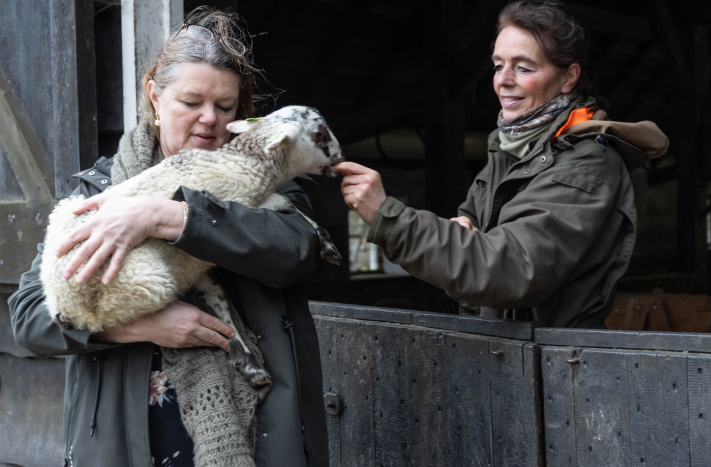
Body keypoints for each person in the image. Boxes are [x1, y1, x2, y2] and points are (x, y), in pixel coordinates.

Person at [8, 7, 328, 467]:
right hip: (128, 443)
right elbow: (29, 317)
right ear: (155, 98)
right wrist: (137, 326)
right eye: (191, 102)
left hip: (258, 438)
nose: (208, 120)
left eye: (224, 107)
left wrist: (170, 217)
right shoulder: (100, 190)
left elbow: (300, 251)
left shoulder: (268, 185)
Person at [337, 0, 669, 328]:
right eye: (498, 65)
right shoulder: (508, 150)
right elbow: (472, 251)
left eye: (523, 68)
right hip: (503, 355)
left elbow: (508, 271)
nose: (503, 81)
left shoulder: (587, 163)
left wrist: (387, 216)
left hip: (561, 363)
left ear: (568, 78)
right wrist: (466, 241)